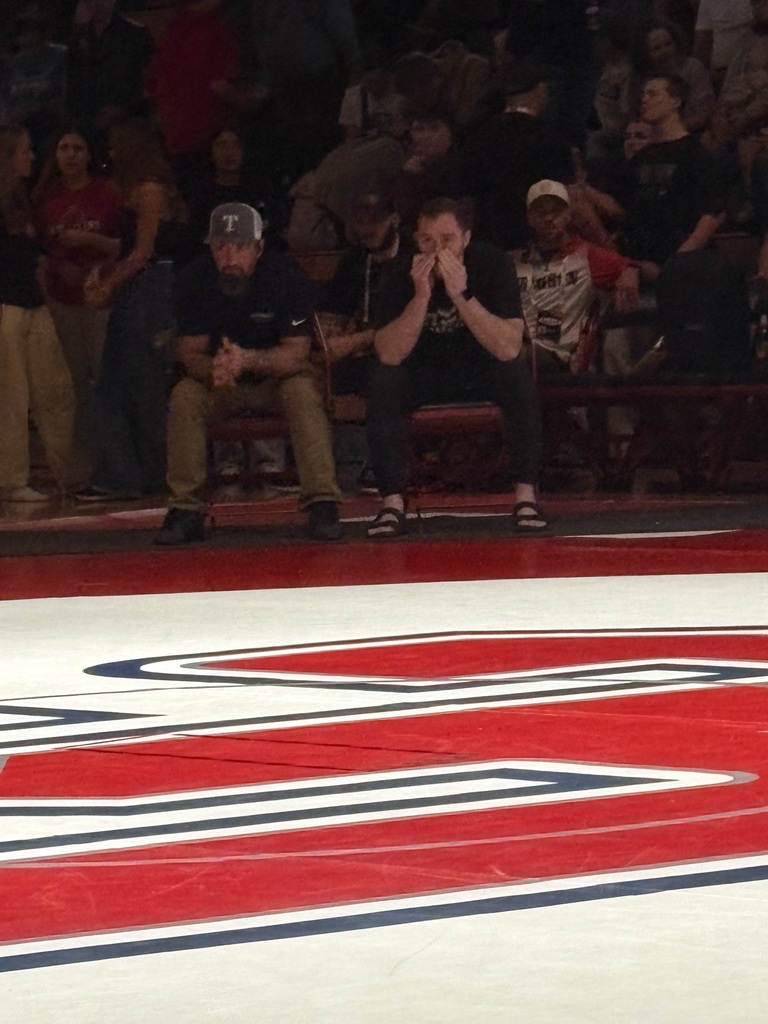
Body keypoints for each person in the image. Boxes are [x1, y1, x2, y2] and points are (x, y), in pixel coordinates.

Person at [154, 202, 343, 545]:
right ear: (210, 247)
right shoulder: (194, 279)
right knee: (183, 396)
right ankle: (185, 509)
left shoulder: (284, 276)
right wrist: (214, 369)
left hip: (274, 379)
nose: (229, 255)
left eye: (239, 246)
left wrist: (247, 360)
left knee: (303, 391)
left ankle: (322, 502)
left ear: (258, 247)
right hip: (221, 381)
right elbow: (188, 351)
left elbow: (298, 353)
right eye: (220, 246)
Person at [364, 196, 545, 538]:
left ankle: (525, 495)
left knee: (517, 373)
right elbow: (388, 352)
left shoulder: (493, 264)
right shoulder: (400, 270)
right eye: (427, 240)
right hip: (424, 371)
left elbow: (508, 346)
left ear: (465, 238)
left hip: (480, 367)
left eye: (446, 240)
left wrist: (461, 295)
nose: (436, 249)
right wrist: (420, 297)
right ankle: (391, 501)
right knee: (383, 381)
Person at [76, 118, 189, 501]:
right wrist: (103, 272)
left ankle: (144, 474)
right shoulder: (135, 191)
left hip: (151, 292)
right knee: (115, 383)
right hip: (136, 291)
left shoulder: (151, 191)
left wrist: (109, 284)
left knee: (141, 384)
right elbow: (126, 249)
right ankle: (125, 473)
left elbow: (144, 252)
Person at [32, 124, 122, 484]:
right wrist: (58, 265)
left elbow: (121, 246)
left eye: (78, 148)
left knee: (105, 380)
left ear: (89, 155)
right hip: (61, 299)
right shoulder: (45, 198)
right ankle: (79, 469)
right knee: (73, 385)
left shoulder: (107, 193)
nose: (71, 155)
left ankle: (113, 464)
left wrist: (88, 239)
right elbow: (37, 252)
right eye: (64, 148)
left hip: (100, 298)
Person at [0, 124, 77, 503]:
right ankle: (10, 480)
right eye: (24, 150)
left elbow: (25, 250)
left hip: (33, 303)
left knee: (56, 389)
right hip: (6, 306)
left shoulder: (20, 199)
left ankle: (69, 472)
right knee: (10, 396)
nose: (31, 156)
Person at [513, 180, 641, 374]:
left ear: (568, 215)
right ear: (530, 218)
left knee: (508, 354)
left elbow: (643, 269)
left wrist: (630, 271)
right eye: (541, 212)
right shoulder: (514, 261)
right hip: (521, 346)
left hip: (562, 357)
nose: (549, 218)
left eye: (556, 211)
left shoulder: (587, 255)